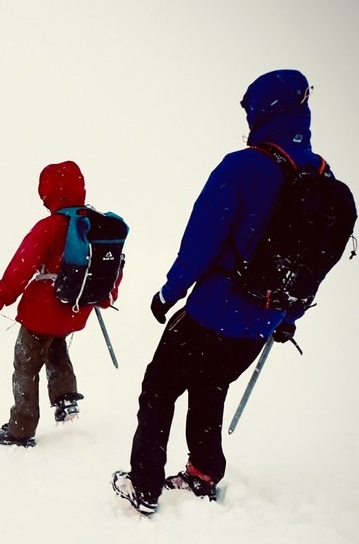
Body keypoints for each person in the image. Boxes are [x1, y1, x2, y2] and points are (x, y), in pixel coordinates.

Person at [113, 69, 336, 516]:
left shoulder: (243, 167)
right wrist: (286, 319)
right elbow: (311, 265)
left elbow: (201, 240)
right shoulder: (323, 181)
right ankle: (203, 474)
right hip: (261, 323)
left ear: (262, 111)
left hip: (213, 311)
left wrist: (168, 293)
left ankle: (145, 485)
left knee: (159, 387)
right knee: (211, 385)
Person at [0, 160, 121, 447]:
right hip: (76, 307)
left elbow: (20, 267)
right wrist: (105, 296)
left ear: (48, 193)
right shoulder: (96, 223)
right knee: (55, 344)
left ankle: (21, 428)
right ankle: (66, 398)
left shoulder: (50, 226)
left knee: (25, 365)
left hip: (43, 310)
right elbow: (115, 265)